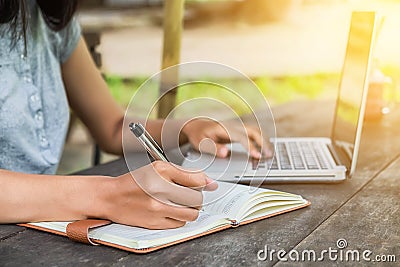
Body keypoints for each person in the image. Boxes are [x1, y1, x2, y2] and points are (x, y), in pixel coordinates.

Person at [0, 0, 271, 229]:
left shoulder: (48, 18)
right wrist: (106, 195)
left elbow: (112, 127)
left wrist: (187, 128)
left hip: (44, 229)